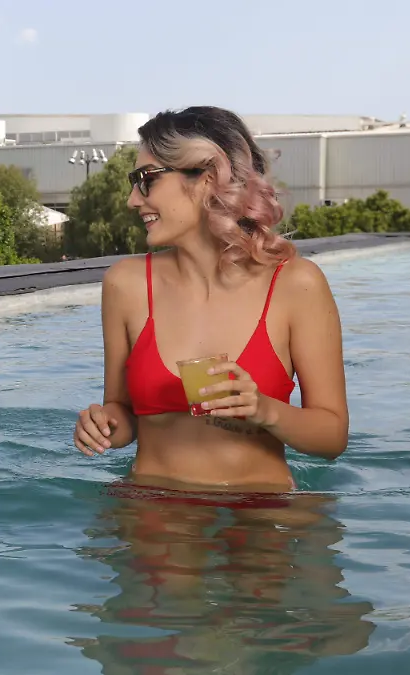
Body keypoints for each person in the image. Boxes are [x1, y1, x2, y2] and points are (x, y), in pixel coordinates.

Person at [73, 106, 349, 491]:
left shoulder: (296, 285)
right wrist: (104, 425)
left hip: (261, 508)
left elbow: (333, 436)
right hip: (152, 503)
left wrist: (264, 410)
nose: (133, 200)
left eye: (146, 180)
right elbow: (122, 413)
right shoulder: (126, 284)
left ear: (206, 178)